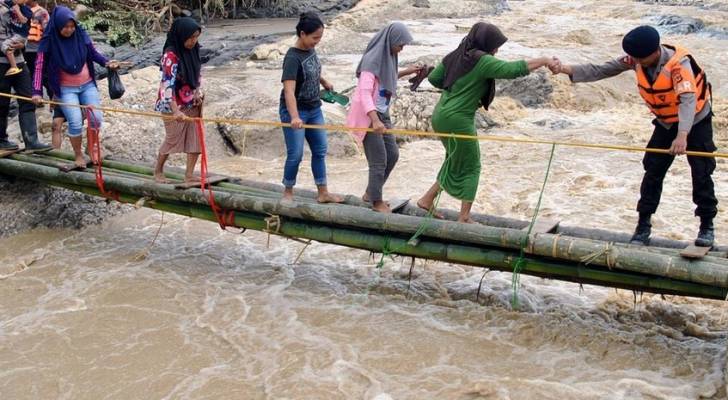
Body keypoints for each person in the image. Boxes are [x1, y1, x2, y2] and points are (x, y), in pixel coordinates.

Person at [551, 26, 716, 247]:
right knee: (652, 170)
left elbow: (687, 100)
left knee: (702, 171)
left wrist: (682, 135)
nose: (635, 62)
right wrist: (564, 68)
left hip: (695, 120)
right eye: (634, 58)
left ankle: (707, 226)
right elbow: (602, 70)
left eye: (640, 58)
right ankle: (643, 225)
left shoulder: (679, 65)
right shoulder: (636, 59)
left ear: (655, 52)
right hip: (666, 123)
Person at [417, 22, 558, 223]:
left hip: (440, 116)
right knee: (472, 166)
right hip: (459, 119)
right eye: (496, 45)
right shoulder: (482, 61)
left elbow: (435, 79)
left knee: (454, 159)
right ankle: (464, 217)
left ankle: (427, 199)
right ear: (487, 44)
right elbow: (513, 69)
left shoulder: (456, 55)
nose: (497, 49)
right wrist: (544, 60)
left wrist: (458, 85)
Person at [31, 6, 120, 169]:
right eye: (65, 27)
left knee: (96, 118)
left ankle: (92, 150)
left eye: (72, 26)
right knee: (75, 121)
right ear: (58, 25)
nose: (69, 30)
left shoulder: (80, 34)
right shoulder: (49, 39)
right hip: (66, 89)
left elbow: (93, 53)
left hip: (87, 85)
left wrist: (107, 62)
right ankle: (78, 155)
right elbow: (39, 66)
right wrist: (36, 91)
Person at [346, 22, 422, 213]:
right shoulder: (372, 61)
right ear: (392, 40)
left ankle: (370, 193)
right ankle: (376, 202)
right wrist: (375, 120)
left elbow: (386, 78)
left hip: (382, 114)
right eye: (401, 45)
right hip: (369, 115)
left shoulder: (388, 57)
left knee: (393, 155)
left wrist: (408, 71)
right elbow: (364, 93)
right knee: (378, 160)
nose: (402, 49)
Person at [279, 12, 342, 203]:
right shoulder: (292, 58)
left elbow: (313, 68)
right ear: (302, 34)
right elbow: (289, 91)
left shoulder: (310, 50)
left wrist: (324, 82)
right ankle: (288, 192)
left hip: (314, 109)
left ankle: (323, 192)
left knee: (320, 150)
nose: (318, 41)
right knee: (296, 154)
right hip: (295, 111)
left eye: (320, 37)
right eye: (315, 38)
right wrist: (295, 117)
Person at [153, 17, 203, 184]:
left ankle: (189, 175)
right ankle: (158, 171)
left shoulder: (194, 49)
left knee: (195, 140)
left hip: (190, 101)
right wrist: (175, 110)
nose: (193, 41)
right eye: (190, 37)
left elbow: (197, 73)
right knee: (172, 139)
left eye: (196, 37)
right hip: (171, 104)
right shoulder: (171, 55)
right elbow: (167, 84)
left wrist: (196, 92)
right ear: (182, 36)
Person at [0, 0, 49, 151]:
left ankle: (31, 141)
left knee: (28, 98)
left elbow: (25, 31)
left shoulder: (24, 10)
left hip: (20, 60)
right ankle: (1, 139)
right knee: (2, 103)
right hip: (1, 62)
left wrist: (23, 44)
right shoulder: (2, 9)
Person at [23, 0, 49, 93]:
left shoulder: (42, 12)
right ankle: (37, 97)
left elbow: (47, 31)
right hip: (25, 49)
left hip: (38, 49)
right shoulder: (22, 10)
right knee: (30, 75)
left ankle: (53, 98)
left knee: (44, 75)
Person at [1, 0, 31, 76]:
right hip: (15, 34)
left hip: (20, 35)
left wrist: (17, 10)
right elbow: (4, 1)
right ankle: (14, 66)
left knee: (5, 45)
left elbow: (25, 22)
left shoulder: (25, 9)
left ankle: (14, 67)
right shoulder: (10, 4)